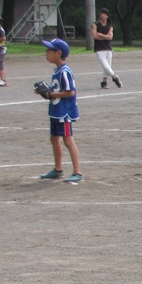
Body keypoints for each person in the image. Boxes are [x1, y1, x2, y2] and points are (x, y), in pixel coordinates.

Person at [38, 38, 83, 183]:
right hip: (56, 110)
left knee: (68, 140)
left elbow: (70, 92)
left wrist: (52, 94)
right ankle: (58, 169)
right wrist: (46, 92)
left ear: (58, 53)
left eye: (49, 50)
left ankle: (78, 172)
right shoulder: (56, 70)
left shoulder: (65, 71)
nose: (46, 53)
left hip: (64, 112)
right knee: (54, 138)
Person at [91, 8, 122, 89]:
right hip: (99, 49)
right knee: (105, 66)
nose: (102, 15)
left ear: (107, 16)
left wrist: (100, 35)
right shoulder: (95, 24)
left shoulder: (109, 26)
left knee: (107, 66)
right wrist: (105, 37)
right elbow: (94, 36)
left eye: (104, 14)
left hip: (108, 49)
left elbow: (110, 37)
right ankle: (115, 77)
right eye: (101, 14)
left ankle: (104, 82)